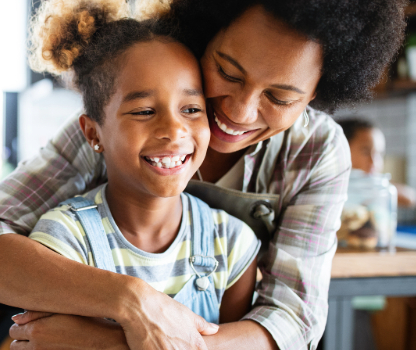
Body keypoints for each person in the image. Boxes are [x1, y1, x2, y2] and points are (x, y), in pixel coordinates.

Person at [0, 0, 407, 349]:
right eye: (228, 71)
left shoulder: (316, 150)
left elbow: (293, 320)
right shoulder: (128, 118)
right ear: (207, 34)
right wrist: (132, 301)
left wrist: (116, 344)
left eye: (280, 98)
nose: (239, 112)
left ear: (316, 96)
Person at [25, 0, 261, 328]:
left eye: (191, 109)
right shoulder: (64, 240)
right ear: (94, 133)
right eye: (144, 111)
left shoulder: (232, 243)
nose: (174, 130)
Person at [337, 117, 416, 208]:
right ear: (342, 150)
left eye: (379, 153)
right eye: (365, 152)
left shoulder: (378, 186)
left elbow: (410, 198)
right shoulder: (335, 186)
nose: (373, 161)